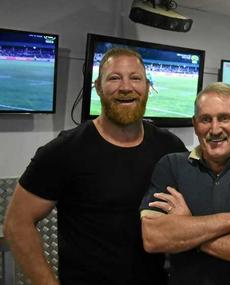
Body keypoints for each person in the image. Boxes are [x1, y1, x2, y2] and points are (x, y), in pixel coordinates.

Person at [3, 48, 188, 284]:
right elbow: (17, 224)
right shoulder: (64, 150)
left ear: (147, 87)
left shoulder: (169, 146)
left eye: (135, 78)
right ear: (98, 87)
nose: (125, 87)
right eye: (114, 78)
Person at [140, 82, 230, 285]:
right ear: (195, 124)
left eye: (224, 118)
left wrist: (187, 231)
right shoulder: (171, 166)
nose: (215, 129)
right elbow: (153, 237)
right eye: (205, 119)